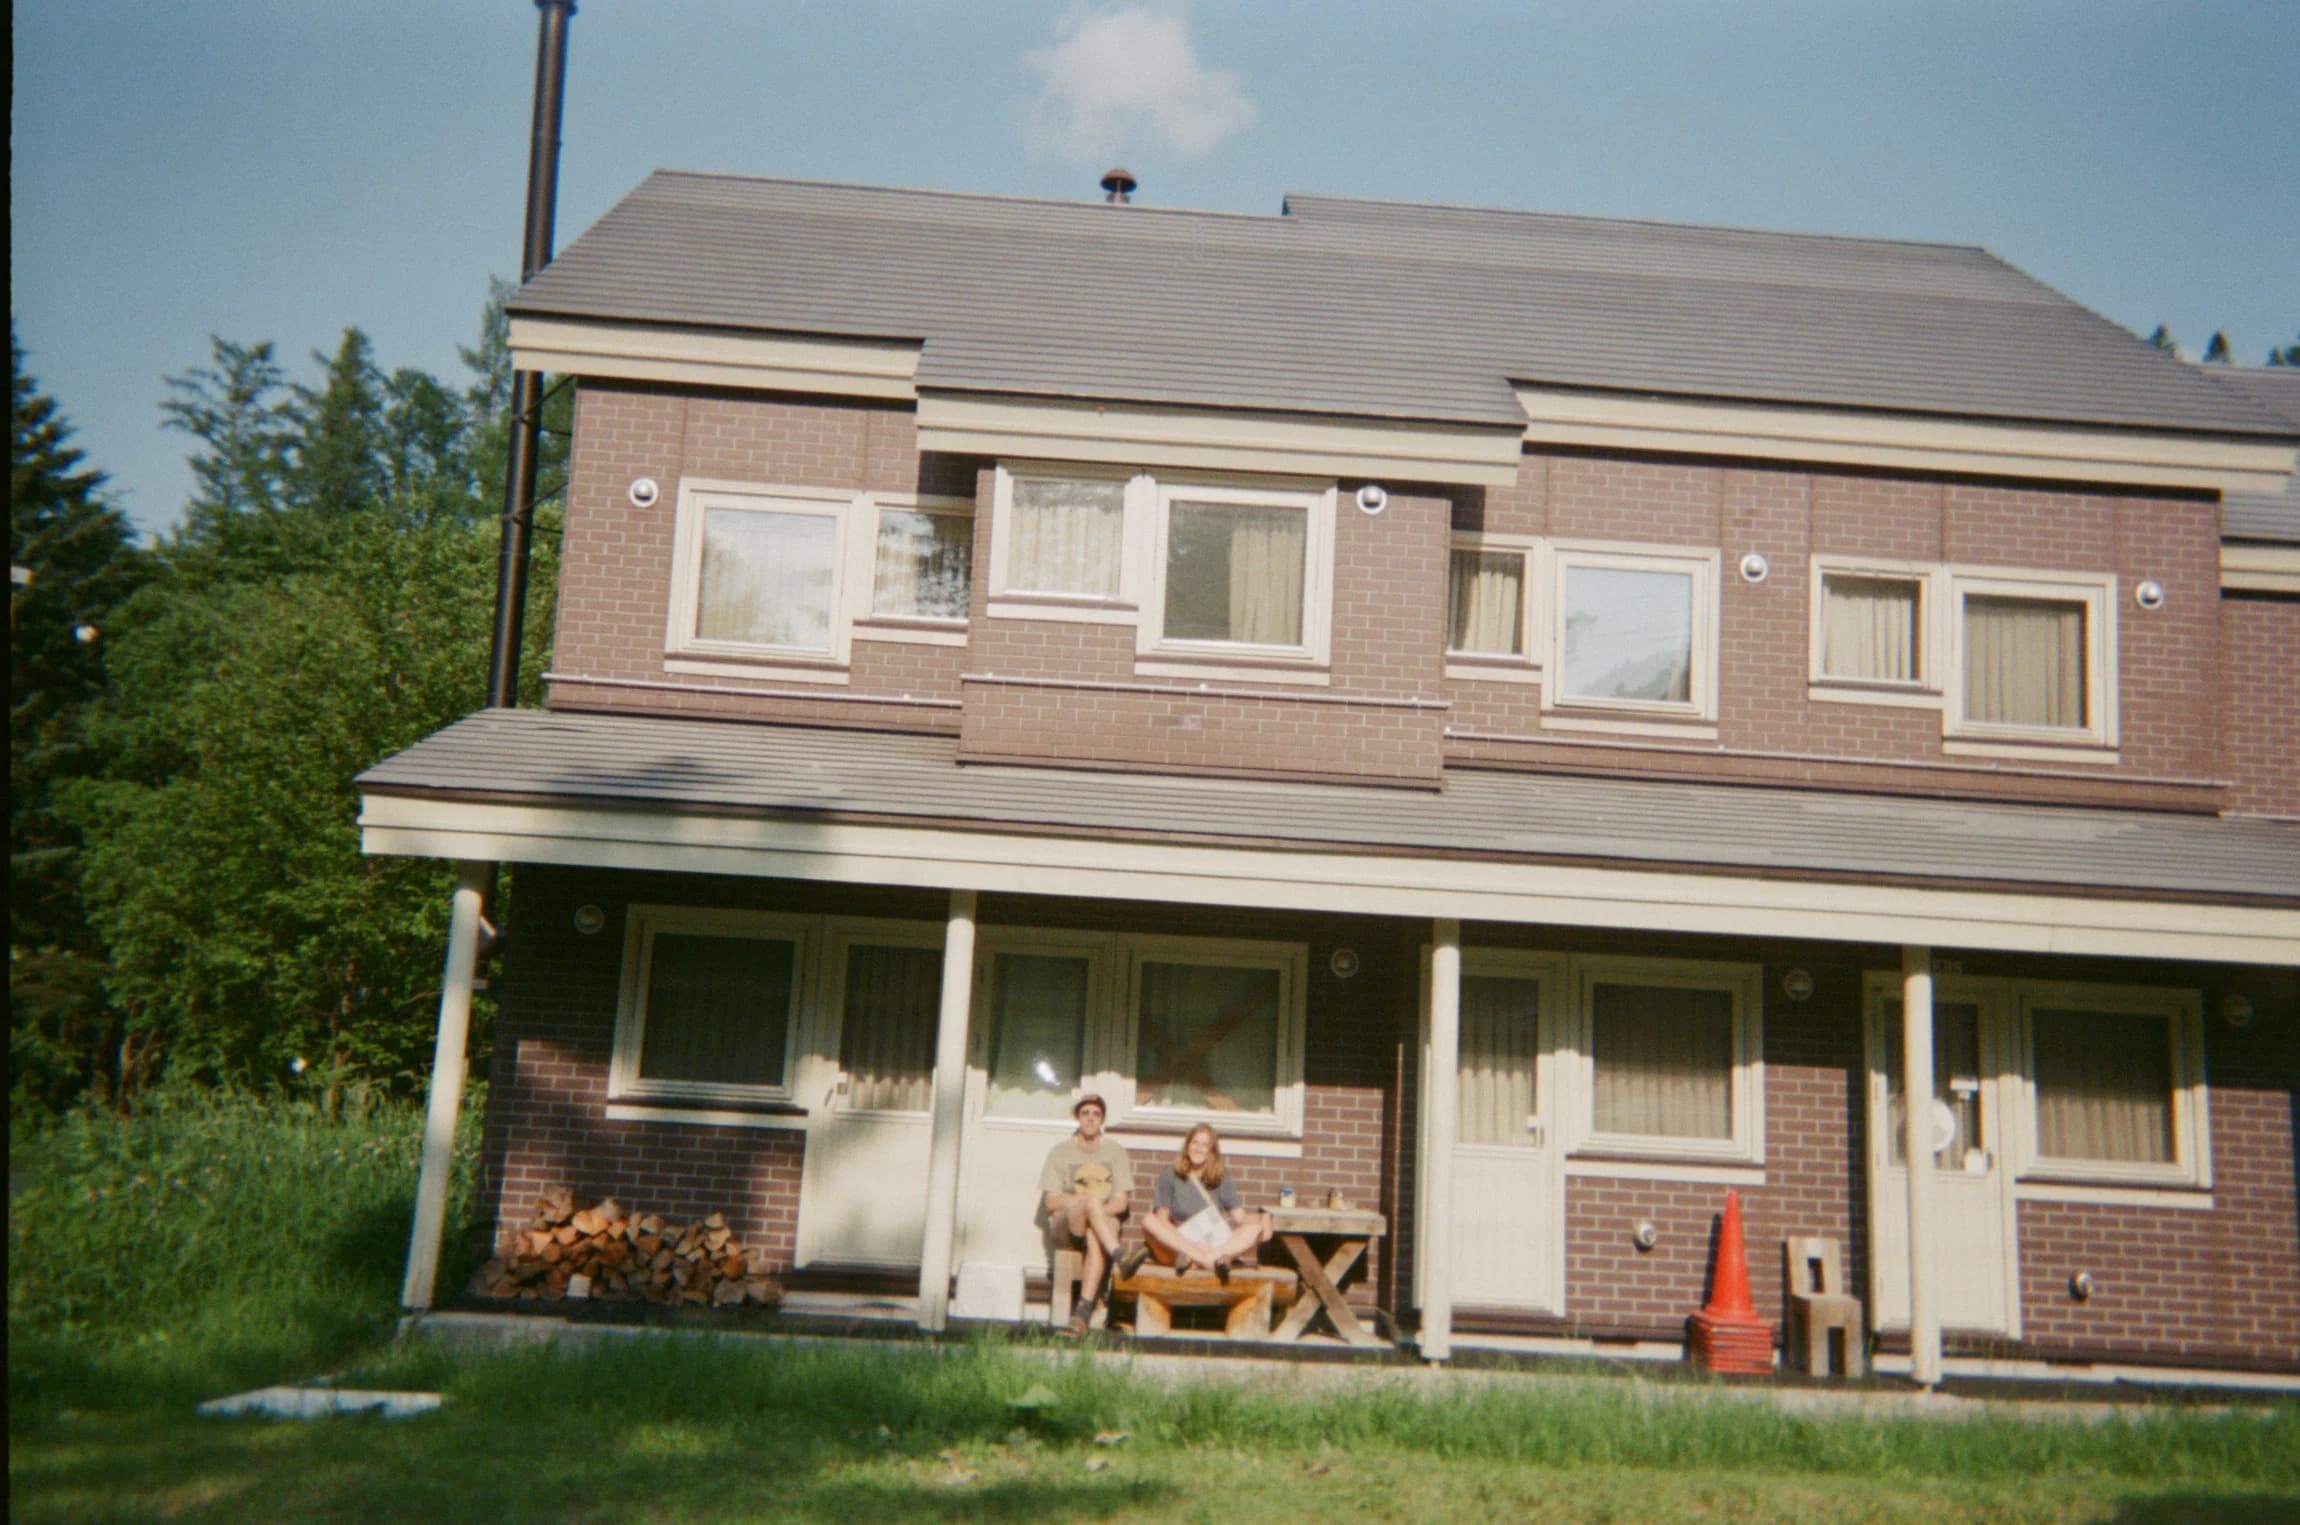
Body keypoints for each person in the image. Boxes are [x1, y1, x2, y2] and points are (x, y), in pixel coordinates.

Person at [1038, 1093, 1133, 1333]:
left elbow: (1121, 1202)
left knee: (1099, 1230)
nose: (1090, 1119)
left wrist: (1096, 1212)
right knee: (1092, 1203)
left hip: (1099, 1224)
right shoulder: (1060, 1151)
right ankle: (1120, 1255)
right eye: (1085, 1113)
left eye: (1096, 1114)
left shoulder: (1115, 1152)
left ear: (1102, 1119)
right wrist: (1083, 1203)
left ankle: (1081, 1313)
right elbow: (1051, 1201)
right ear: (1077, 1117)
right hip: (1068, 1222)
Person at [1142, 1123, 1270, 1278]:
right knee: (1149, 1220)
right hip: (1180, 1244)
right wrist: (1192, 1245)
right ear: (1187, 1145)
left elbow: (1240, 1217)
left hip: (1212, 1244)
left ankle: (1204, 1260)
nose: (1198, 1148)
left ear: (1211, 1151)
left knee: (1253, 1229)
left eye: (1204, 1145)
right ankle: (1209, 1261)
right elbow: (1162, 1219)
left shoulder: (1221, 1177)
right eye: (1195, 1142)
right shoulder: (1170, 1174)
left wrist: (1263, 1216)